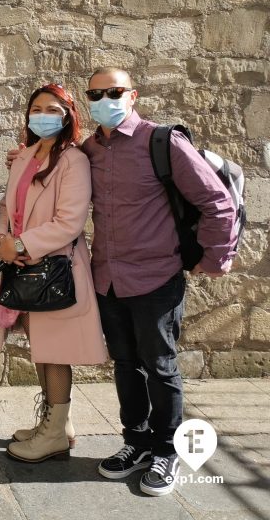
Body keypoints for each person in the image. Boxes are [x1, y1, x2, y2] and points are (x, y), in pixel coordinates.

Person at [82, 67, 235, 496]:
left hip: (155, 278)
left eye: (113, 91)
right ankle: (137, 443)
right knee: (125, 365)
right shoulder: (89, 149)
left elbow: (216, 201)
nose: (104, 99)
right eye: (95, 93)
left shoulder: (162, 142)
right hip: (107, 279)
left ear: (133, 95)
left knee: (161, 366)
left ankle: (167, 450)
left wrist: (214, 258)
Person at [0, 83, 107, 463]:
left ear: (69, 115)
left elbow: (69, 222)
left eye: (53, 109)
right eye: (36, 108)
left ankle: (54, 433)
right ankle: (57, 424)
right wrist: (2, 239)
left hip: (55, 269)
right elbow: (7, 205)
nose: (43, 115)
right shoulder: (25, 156)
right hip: (25, 267)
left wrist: (21, 246)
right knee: (42, 349)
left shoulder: (73, 161)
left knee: (55, 353)